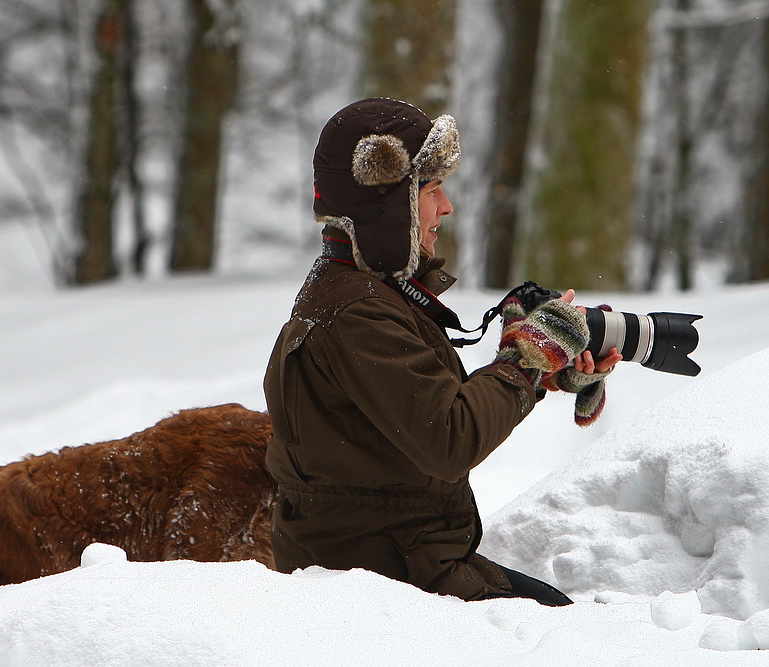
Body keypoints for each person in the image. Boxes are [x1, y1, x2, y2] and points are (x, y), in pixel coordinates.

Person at [263, 97, 621, 605]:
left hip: (396, 558)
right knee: (566, 631)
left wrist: (540, 371)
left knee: (562, 616)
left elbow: (425, 410)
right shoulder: (357, 313)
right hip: (380, 580)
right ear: (384, 205)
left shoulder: (357, 292)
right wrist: (526, 362)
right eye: (431, 190)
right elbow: (449, 439)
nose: (446, 207)